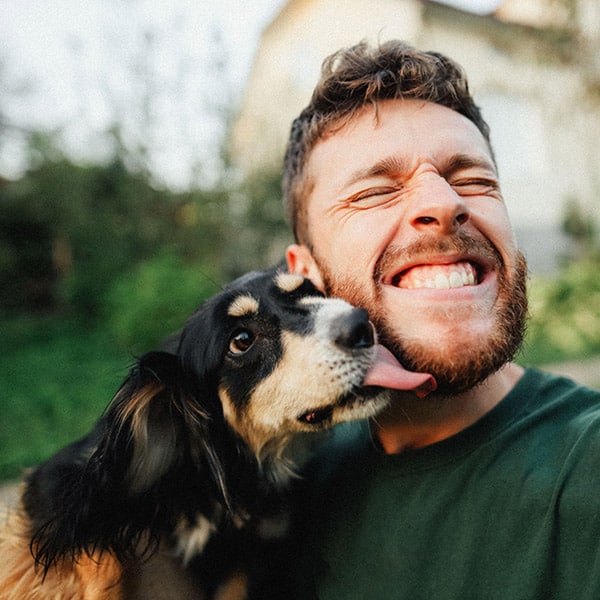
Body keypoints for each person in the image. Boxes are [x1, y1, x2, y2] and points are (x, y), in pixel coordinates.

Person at [281, 40, 600, 599]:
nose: (445, 202)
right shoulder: (282, 494)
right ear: (307, 278)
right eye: (377, 190)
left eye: (475, 180)